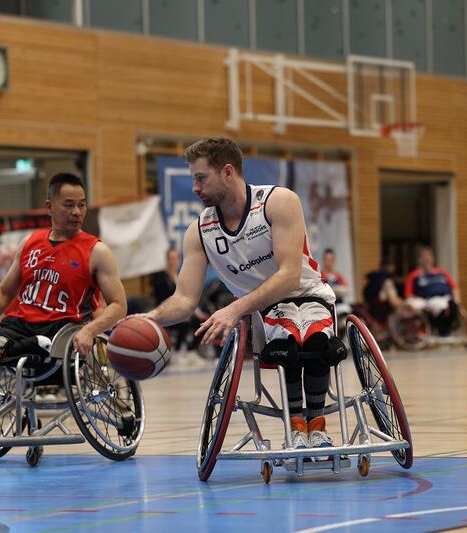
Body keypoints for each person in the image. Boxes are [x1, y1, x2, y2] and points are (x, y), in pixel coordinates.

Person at [143, 137, 337, 452]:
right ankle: (297, 426)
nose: (195, 187)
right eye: (193, 179)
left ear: (228, 172)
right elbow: (184, 300)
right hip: (263, 312)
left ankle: (316, 424)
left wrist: (234, 310)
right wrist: (151, 318)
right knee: (288, 337)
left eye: (201, 177)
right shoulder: (199, 232)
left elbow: (289, 276)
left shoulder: (278, 201)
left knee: (312, 336)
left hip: (308, 294)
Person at [0, 172, 127, 363]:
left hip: (63, 327)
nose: (77, 212)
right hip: (21, 325)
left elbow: (119, 305)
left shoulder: (97, 251)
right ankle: (33, 344)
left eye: (82, 204)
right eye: (69, 204)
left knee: (42, 348)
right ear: (49, 207)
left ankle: (34, 345)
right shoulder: (29, 243)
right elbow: (4, 292)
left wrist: (89, 330)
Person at [150, 247, 208, 365]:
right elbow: (164, 300)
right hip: (166, 313)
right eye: (171, 258)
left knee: (202, 321)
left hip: (181, 310)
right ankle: (175, 352)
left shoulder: (180, 275)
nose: (174, 261)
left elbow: (187, 298)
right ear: (167, 260)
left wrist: (197, 312)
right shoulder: (161, 277)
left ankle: (192, 351)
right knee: (185, 321)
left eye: (176, 258)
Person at [404, 246, 461, 336]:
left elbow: (454, 288)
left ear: (432, 258)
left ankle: (445, 328)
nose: (427, 259)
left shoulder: (443, 272)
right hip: (425, 300)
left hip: (444, 298)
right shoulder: (414, 275)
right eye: (424, 257)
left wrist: (457, 299)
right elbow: (409, 295)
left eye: (428, 257)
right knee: (417, 305)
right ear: (419, 259)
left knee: (449, 305)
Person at [362, 257, 404, 324]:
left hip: (370, 311)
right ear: (388, 266)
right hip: (383, 313)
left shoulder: (372, 278)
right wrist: (406, 304)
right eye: (392, 266)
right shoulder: (386, 281)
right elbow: (393, 301)